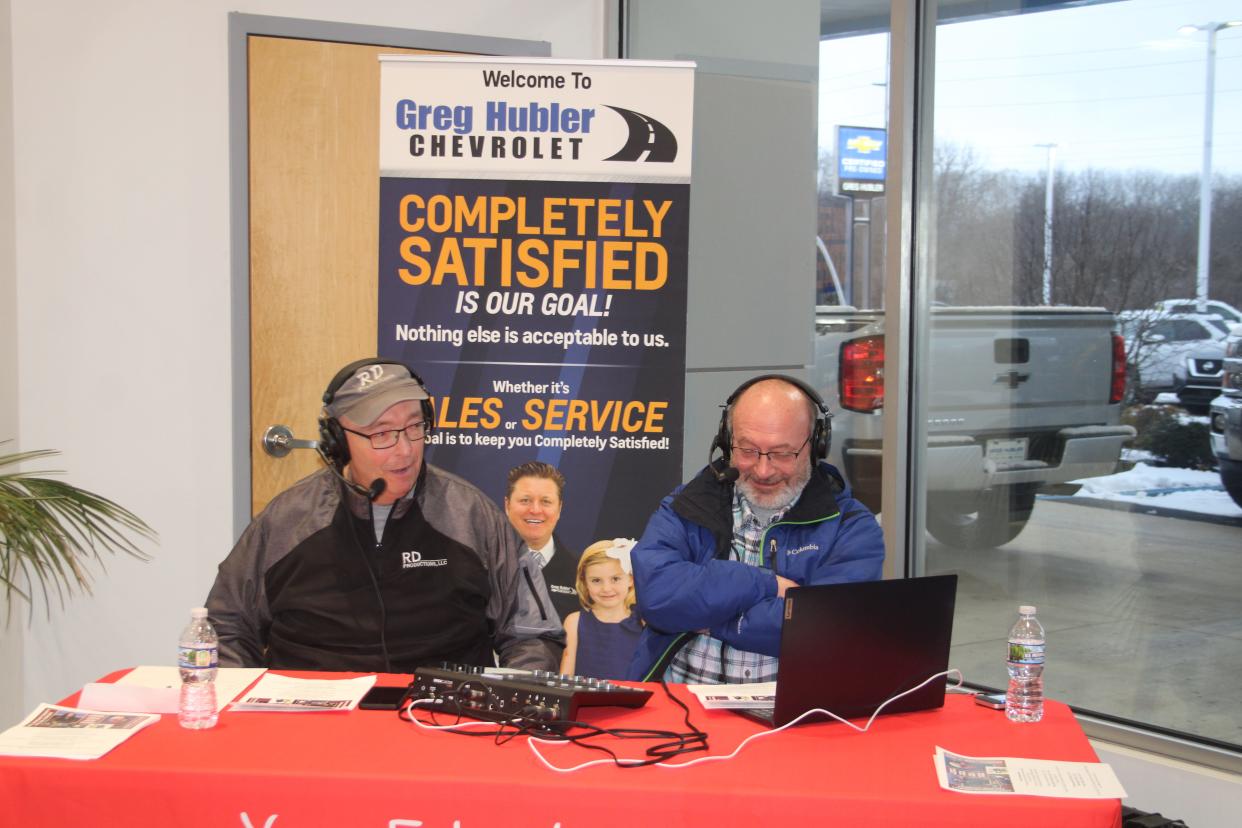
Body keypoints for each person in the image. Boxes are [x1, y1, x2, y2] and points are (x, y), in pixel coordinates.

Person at [206, 358, 564, 673]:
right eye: (382, 434)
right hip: (314, 730)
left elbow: (534, 633)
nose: (405, 450)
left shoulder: (471, 515)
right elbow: (226, 625)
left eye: (414, 427)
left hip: (443, 722)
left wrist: (511, 705)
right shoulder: (287, 519)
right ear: (338, 441)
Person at [626, 375, 885, 684]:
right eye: (747, 451)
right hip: (677, 705)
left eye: (782, 454)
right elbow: (657, 599)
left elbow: (824, 629)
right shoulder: (685, 506)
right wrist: (765, 583)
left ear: (816, 446)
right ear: (726, 440)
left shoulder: (851, 527)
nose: (763, 470)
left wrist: (710, 617)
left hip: (790, 716)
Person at [504, 462, 580, 619]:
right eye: (525, 500)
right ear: (507, 505)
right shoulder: (481, 565)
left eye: (546, 501)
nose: (535, 510)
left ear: (559, 509)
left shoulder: (582, 572)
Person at [560, 539, 643, 679]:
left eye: (615, 579)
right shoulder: (574, 622)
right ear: (584, 582)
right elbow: (565, 677)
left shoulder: (644, 623)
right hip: (583, 699)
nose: (606, 588)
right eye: (596, 580)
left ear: (630, 579)